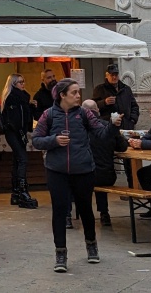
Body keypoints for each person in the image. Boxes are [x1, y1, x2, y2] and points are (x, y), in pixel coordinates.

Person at [32, 79, 103, 272]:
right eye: (74, 93)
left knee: (86, 209)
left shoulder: (85, 113)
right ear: (62, 95)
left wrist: (113, 126)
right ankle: (60, 254)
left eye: (78, 92)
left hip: (83, 169)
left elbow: (101, 133)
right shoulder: (48, 115)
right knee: (60, 212)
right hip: (57, 171)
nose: (78, 96)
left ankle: (91, 245)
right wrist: (54, 140)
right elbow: (36, 140)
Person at [93, 64, 140, 188]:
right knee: (109, 157)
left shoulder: (126, 89)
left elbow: (134, 106)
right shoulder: (100, 89)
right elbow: (93, 107)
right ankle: (108, 183)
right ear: (106, 75)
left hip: (126, 128)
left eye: (116, 74)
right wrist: (104, 102)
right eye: (111, 75)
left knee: (129, 159)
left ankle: (132, 186)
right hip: (109, 130)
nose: (114, 77)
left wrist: (133, 120)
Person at [81, 99, 126, 227]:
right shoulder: (108, 126)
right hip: (108, 176)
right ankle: (104, 213)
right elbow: (122, 147)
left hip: (85, 175)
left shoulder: (79, 129)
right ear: (98, 111)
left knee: (72, 180)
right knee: (99, 172)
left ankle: (69, 216)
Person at [0, 73, 37, 209]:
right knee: (22, 159)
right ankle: (22, 191)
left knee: (17, 159)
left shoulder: (18, 98)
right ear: (14, 84)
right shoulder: (14, 98)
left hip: (16, 132)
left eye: (23, 81)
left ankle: (16, 193)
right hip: (14, 132)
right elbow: (17, 119)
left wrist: (29, 106)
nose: (23, 84)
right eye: (20, 82)